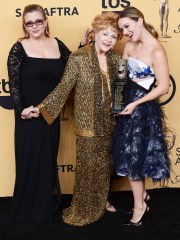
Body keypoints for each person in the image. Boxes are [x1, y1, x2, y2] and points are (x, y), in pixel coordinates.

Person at [27, 11, 122, 226]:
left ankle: (100, 200)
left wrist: (124, 108)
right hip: (87, 123)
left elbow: (120, 93)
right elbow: (63, 88)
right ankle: (84, 207)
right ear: (94, 33)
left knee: (106, 166)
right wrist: (41, 108)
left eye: (113, 36)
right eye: (104, 34)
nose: (108, 39)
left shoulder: (117, 58)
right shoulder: (78, 57)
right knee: (88, 167)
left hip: (111, 123)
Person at [7, 4, 72, 224]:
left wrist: (86, 44)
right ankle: (27, 210)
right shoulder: (19, 48)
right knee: (28, 162)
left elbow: (74, 66)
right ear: (24, 25)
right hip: (29, 115)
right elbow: (13, 84)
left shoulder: (58, 44)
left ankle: (44, 209)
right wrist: (21, 110)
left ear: (45, 21)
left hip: (51, 115)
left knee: (47, 162)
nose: (34, 26)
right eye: (29, 23)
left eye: (38, 21)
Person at [111, 6, 170, 227]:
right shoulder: (128, 46)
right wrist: (117, 103)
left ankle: (139, 206)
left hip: (143, 111)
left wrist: (136, 103)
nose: (125, 32)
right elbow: (120, 77)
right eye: (121, 28)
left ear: (140, 21)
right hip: (126, 109)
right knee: (129, 157)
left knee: (136, 159)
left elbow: (163, 87)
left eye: (127, 26)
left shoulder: (156, 50)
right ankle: (142, 198)